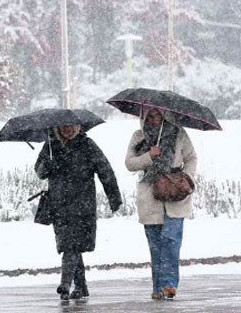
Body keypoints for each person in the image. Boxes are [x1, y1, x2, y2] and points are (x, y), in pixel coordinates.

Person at [35, 124, 122, 300]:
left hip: (82, 205)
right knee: (71, 245)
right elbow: (39, 172)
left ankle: (65, 284)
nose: (67, 130)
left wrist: (114, 197)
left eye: (71, 127)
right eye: (63, 127)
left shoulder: (87, 145)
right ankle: (81, 287)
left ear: (77, 128)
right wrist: (47, 165)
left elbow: (105, 171)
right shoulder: (50, 146)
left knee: (71, 245)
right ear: (57, 128)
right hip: (58, 205)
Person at [125, 108, 197, 300]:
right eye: (151, 115)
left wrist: (186, 177)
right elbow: (130, 163)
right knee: (156, 245)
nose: (155, 118)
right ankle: (158, 287)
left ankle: (169, 285)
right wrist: (150, 155)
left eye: (158, 115)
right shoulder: (139, 136)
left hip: (175, 192)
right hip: (150, 195)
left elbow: (191, 158)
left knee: (171, 240)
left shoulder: (179, 133)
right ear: (144, 117)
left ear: (165, 116)